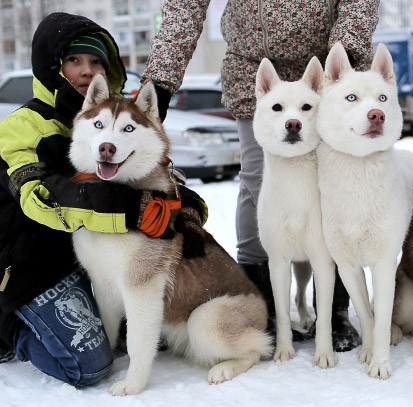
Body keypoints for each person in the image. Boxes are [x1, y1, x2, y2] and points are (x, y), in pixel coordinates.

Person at [142, 0, 380, 351]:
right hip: (254, 69)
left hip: (328, 69)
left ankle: (336, 308)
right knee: (258, 180)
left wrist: (343, 52)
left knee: (338, 186)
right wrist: (161, 79)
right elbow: (185, 7)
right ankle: (262, 299)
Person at [0, 12, 205, 385]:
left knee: (127, 334)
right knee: (89, 366)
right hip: (26, 265)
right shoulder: (22, 126)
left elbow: (147, 172)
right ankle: (10, 330)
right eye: (74, 60)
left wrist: (185, 207)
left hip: (86, 257)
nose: (85, 71)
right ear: (52, 66)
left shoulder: (110, 118)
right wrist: (129, 209)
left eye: (96, 62)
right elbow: (40, 199)